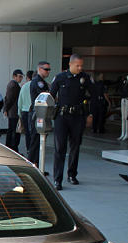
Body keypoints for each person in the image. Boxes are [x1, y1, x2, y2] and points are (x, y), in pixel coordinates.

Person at [49, 53, 94, 190]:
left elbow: (92, 96)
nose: (80, 68)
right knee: (60, 148)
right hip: (62, 117)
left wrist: (89, 114)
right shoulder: (60, 78)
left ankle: (72, 174)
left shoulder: (85, 78)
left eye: (81, 65)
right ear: (70, 64)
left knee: (75, 147)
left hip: (77, 117)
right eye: (77, 65)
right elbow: (51, 96)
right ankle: (58, 179)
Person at [28, 62, 51, 167]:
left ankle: (37, 164)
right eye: (46, 69)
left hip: (42, 114)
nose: (48, 72)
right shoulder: (38, 82)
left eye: (49, 69)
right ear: (40, 69)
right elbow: (44, 97)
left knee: (40, 141)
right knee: (35, 141)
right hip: (38, 114)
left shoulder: (42, 82)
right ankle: (32, 164)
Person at [4, 69, 24, 153]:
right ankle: (13, 148)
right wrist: (6, 109)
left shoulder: (13, 84)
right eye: (19, 76)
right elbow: (9, 99)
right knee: (14, 131)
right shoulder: (13, 85)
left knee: (12, 130)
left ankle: (10, 147)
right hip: (13, 111)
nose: (21, 78)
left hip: (12, 111)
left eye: (22, 77)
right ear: (14, 76)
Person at [17, 71, 35, 155]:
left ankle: (29, 149)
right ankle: (35, 150)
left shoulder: (24, 87)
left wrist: (19, 113)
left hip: (25, 112)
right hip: (35, 112)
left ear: (28, 77)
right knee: (35, 133)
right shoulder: (37, 85)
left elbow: (19, 101)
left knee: (27, 132)